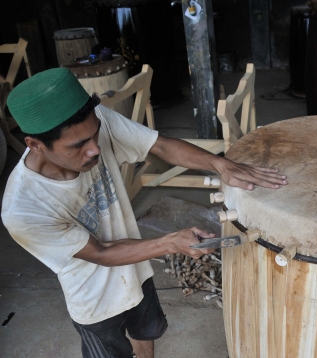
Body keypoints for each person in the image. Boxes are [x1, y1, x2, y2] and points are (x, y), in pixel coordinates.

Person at [1, 68, 287, 358]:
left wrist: (219, 164)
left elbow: (159, 145)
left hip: (136, 267)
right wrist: (169, 242)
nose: (95, 150)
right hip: (95, 300)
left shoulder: (95, 122)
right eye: (78, 146)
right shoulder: (24, 208)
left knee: (146, 333)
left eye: (95, 135)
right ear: (35, 145)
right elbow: (100, 252)